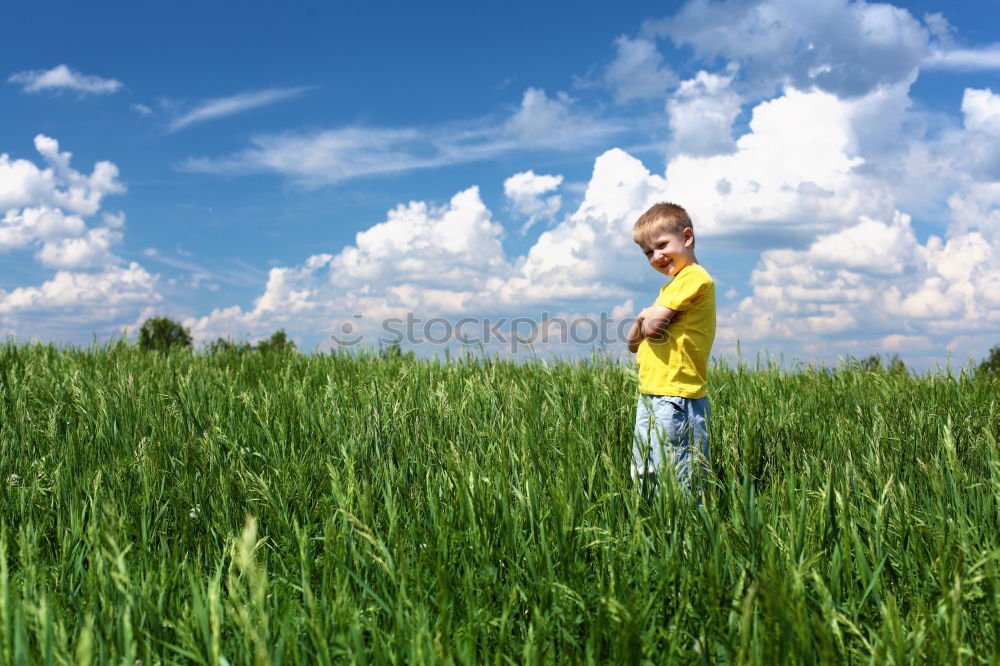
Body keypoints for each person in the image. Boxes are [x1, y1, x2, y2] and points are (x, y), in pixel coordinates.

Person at [626, 202, 716, 499]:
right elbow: (631, 344)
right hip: (653, 392)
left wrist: (643, 317)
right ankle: (657, 531)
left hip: (677, 396)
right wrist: (645, 318)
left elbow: (649, 329)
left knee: (681, 477)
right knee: (646, 473)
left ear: (687, 237)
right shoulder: (671, 288)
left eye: (662, 245)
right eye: (648, 253)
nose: (656, 256)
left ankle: (690, 539)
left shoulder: (693, 278)